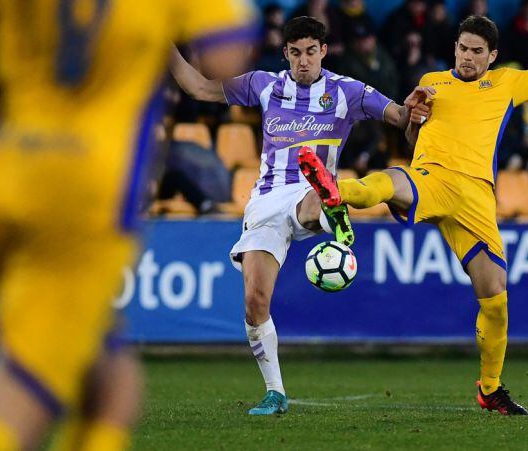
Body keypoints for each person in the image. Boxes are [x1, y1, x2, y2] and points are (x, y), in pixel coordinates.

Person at [300, 12, 528, 415]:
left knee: (495, 295)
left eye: (476, 51)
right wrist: (413, 119)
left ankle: (491, 389)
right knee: (393, 181)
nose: (467, 57)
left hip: (477, 197)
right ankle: (336, 190)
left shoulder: (505, 83)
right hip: (433, 176)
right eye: (462, 48)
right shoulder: (431, 83)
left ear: (491, 55)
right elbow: (413, 138)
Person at [0, 0, 254, 449]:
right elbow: (224, 59)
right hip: (82, 194)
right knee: (26, 392)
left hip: (3, 168)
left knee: (111, 382)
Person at [169, 16, 429, 416]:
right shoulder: (264, 85)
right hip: (266, 199)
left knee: (316, 192)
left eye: (311, 52)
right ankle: (275, 393)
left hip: (309, 189)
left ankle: (330, 211)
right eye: (295, 53)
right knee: (255, 303)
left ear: (323, 51)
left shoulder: (347, 91)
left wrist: (414, 114)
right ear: (285, 53)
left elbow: (398, 119)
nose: (303, 61)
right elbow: (199, 86)